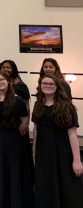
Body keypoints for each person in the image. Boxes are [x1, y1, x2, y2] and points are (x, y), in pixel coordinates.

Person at [32, 74, 83, 208]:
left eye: (51, 84)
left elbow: (72, 135)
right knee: (45, 184)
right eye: (45, 83)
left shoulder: (67, 107)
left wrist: (77, 160)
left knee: (65, 185)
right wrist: (34, 152)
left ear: (57, 86)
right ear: (40, 86)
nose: (48, 86)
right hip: (43, 152)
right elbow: (36, 129)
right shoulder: (38, 104)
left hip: (62, 152)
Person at [0, 71, 33, 208]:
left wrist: (13, 134)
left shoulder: (17, 100)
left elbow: (24, 121)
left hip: (12, 139)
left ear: (7, 81)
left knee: (13, 171)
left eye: (2, 80)